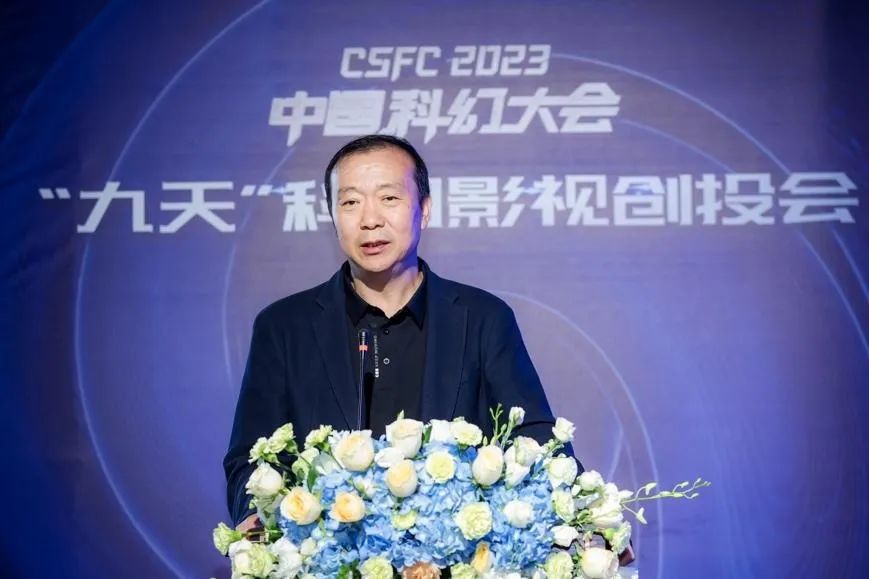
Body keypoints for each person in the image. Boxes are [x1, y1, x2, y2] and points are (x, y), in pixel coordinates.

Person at [223, 134, 575, 533]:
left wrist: (582, 517)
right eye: (350, 202)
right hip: (331, 553)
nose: (370, 219)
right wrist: (258, 518)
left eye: (389, 198)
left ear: (424, 210)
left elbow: (536, 440)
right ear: (332, 216)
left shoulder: (482, 318)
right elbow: (251, 459)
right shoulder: (284, 327)